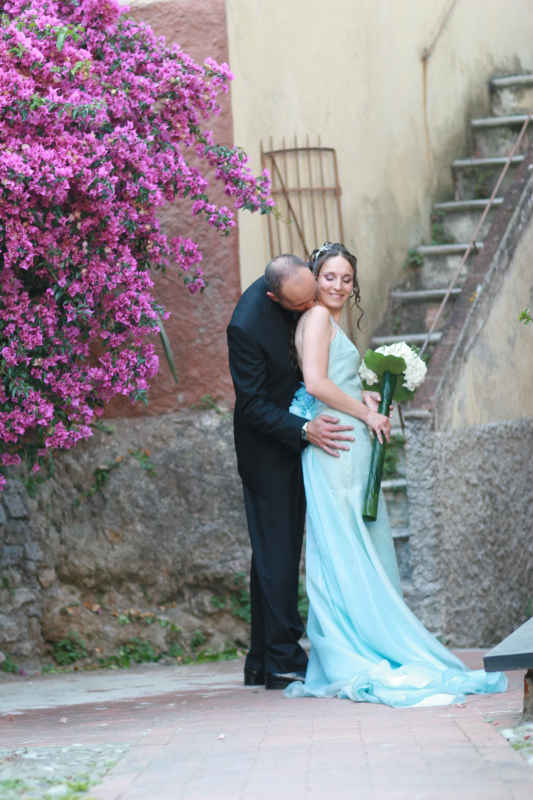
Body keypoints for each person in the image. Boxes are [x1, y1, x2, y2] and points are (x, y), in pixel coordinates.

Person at [284, 242, 507, 707]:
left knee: (349, 549)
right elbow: (316, 384)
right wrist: (367, 417)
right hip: (339, 447)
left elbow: (335, 384)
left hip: (344, 441)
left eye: (346, 279)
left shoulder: (324, 319)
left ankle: (355, 641)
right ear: (314, 277)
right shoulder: (320, 318)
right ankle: (360, 645)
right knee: (346, 549)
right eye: (329, 277)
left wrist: (365, 399)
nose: (338, 286)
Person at [227, 254, 379, 690]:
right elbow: (252, 405)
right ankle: (281, 661)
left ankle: (259, 659)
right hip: (269, 449)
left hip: (304, 440)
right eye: (303, 302)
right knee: (278, 555)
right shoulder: (246, 325)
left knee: (270, 556)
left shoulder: (302, 284)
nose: (315, 302)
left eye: (315, 290)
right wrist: (305, 428)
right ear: (276, 296)